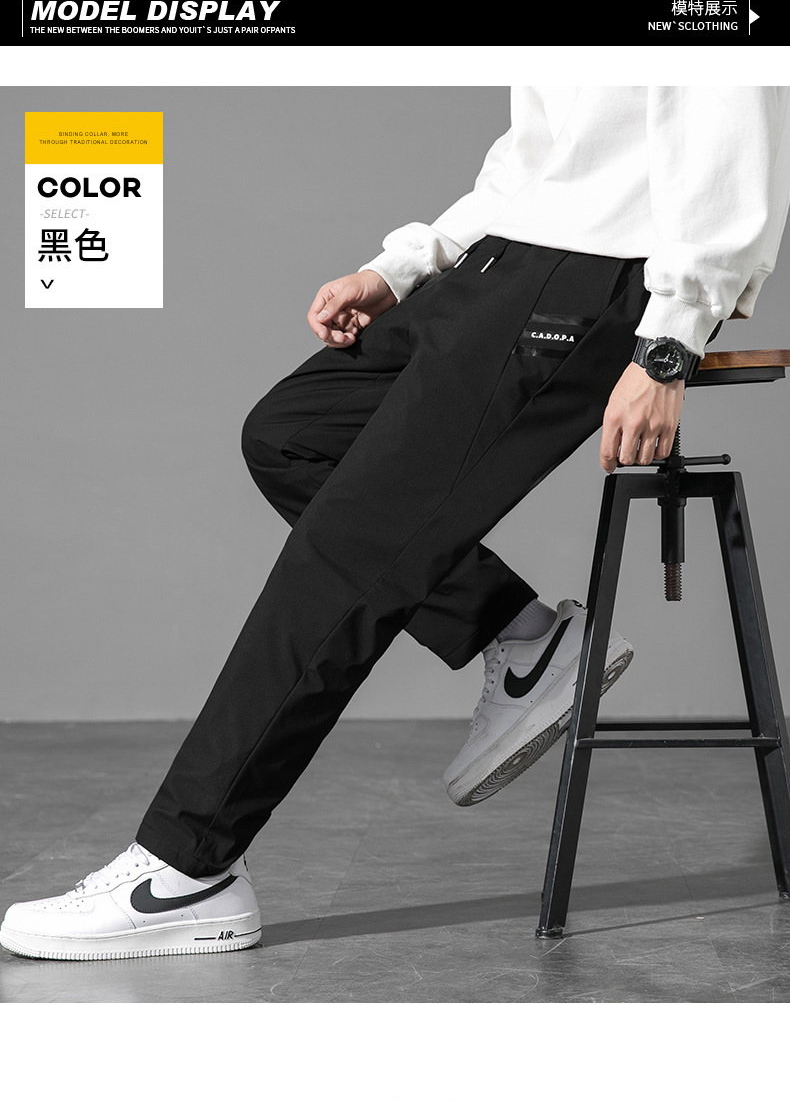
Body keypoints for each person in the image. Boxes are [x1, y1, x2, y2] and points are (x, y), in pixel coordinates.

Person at [3, 86, 789, 961]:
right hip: (503, 261)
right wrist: (406, 265)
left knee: (352, 544)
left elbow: (732, 132)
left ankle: (188, 866)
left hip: (598, 274)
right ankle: (529, 641)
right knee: (291, 437)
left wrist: (670, 342)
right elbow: (541, 151)